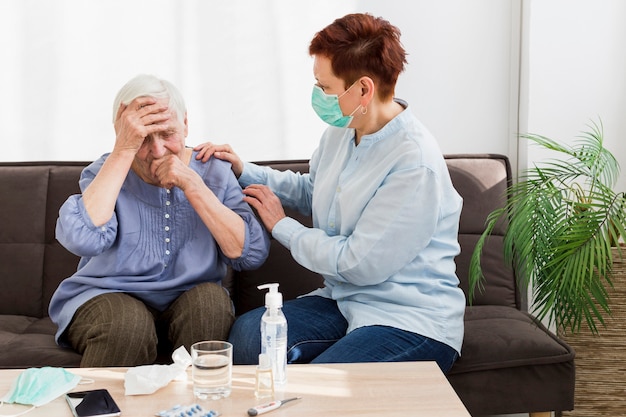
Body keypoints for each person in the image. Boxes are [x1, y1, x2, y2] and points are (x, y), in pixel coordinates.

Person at [196, 13, 465, 372]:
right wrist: (244, 171)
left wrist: (282, 227)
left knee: (325, 384)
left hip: (409, 317)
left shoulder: (414, 163)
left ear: (363, 90)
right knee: (249, 336)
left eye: (325, 87)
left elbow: (357, 262)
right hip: (343, 300)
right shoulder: (343, 131)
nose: (318, 95)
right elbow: (313, 190)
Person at [49, 74, 270, 367]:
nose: (157, 151)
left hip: (189, 300)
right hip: (107, 297)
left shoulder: (214, 170)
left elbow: (247, 253)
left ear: (186, 124)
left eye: (167, 134)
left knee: (210, 303)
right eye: (141, 138)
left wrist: (193, 185)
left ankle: (200, 411)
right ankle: (102, 411)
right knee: (127, 325)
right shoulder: (106, 171)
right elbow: (82, 239)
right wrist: (123, 151)